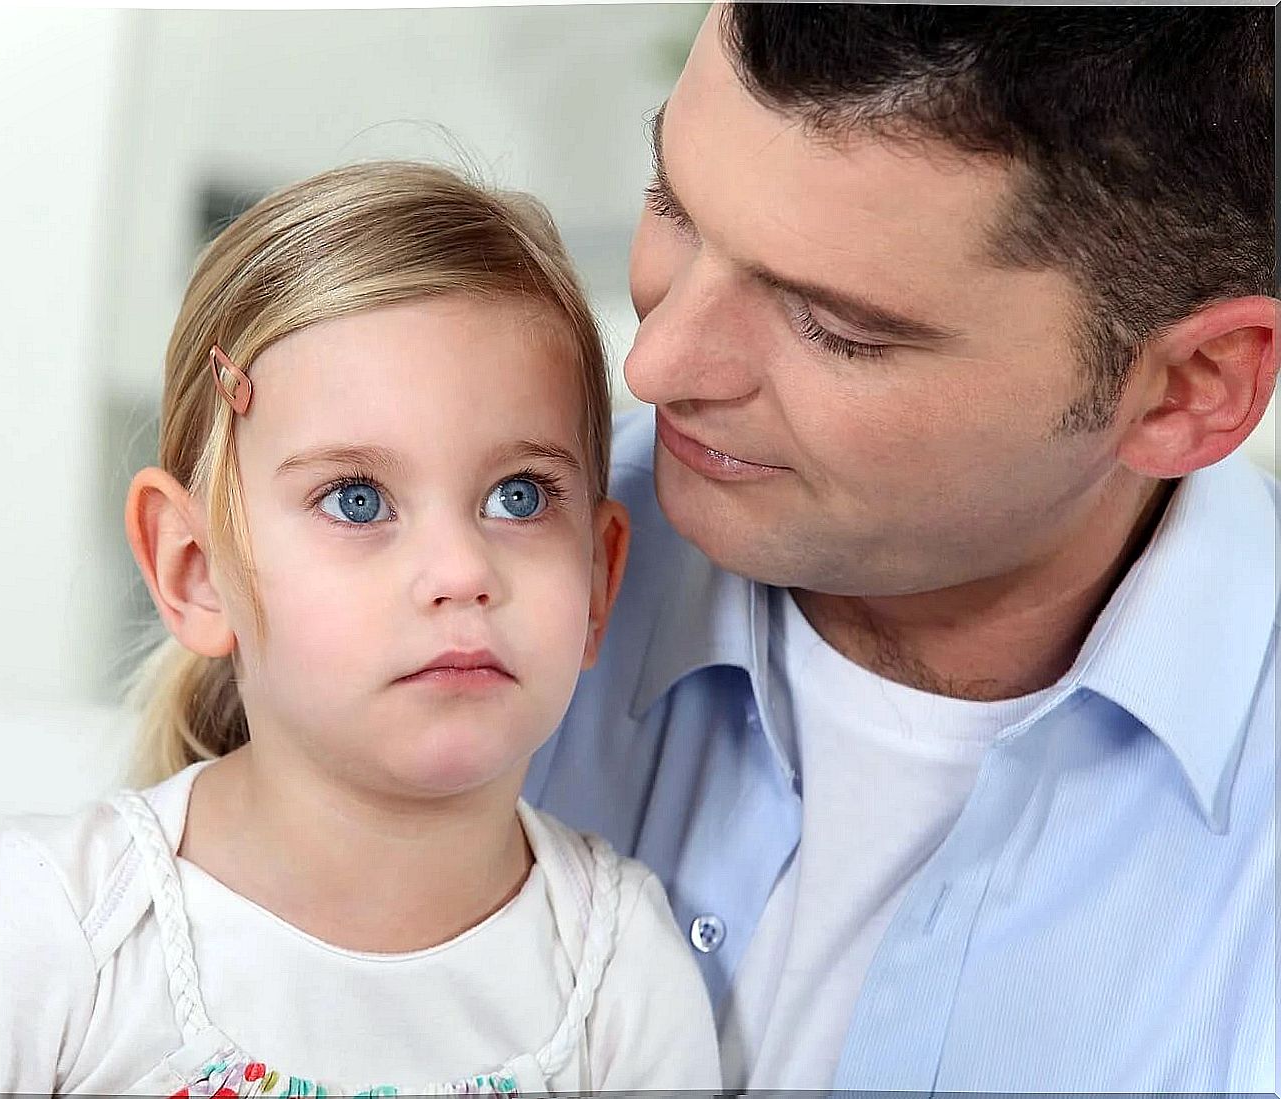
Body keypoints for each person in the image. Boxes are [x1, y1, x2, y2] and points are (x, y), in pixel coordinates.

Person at [0, 162, 722, 1095]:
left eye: (518, 496)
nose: (462, 571)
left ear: (597, 577)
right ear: (194, 568)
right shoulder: (56, 928)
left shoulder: (619, 974)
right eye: (356, 498)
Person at [528, 4, 1276, 1094]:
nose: (656, 365)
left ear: (1187, 389)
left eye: (835, 327)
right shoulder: (395, 593)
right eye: (673, 206)